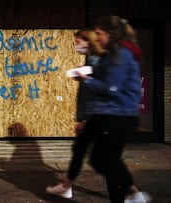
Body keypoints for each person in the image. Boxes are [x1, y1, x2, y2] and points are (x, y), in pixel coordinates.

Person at [76, 15, 150, 203]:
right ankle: (134, 194)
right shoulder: (115, 53)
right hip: (114, 114)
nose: (97, 37)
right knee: (104, 160)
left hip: (118, 115)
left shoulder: (120, 53)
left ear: (110, 33)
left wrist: (88, 81)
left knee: (107, 162)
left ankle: (128, 196)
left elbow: (111, 88)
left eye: (99, 33)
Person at [46, 29, 104, 198]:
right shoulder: (92, 59)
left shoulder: (94, 59)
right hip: (93, 115)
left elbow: (92, 93)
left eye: (78, 42)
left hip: (92, 116)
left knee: (101, 159)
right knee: (83, 152)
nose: (76, 45)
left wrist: (83, 119)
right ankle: (66, 186)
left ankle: (131, 192)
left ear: (88, 41)